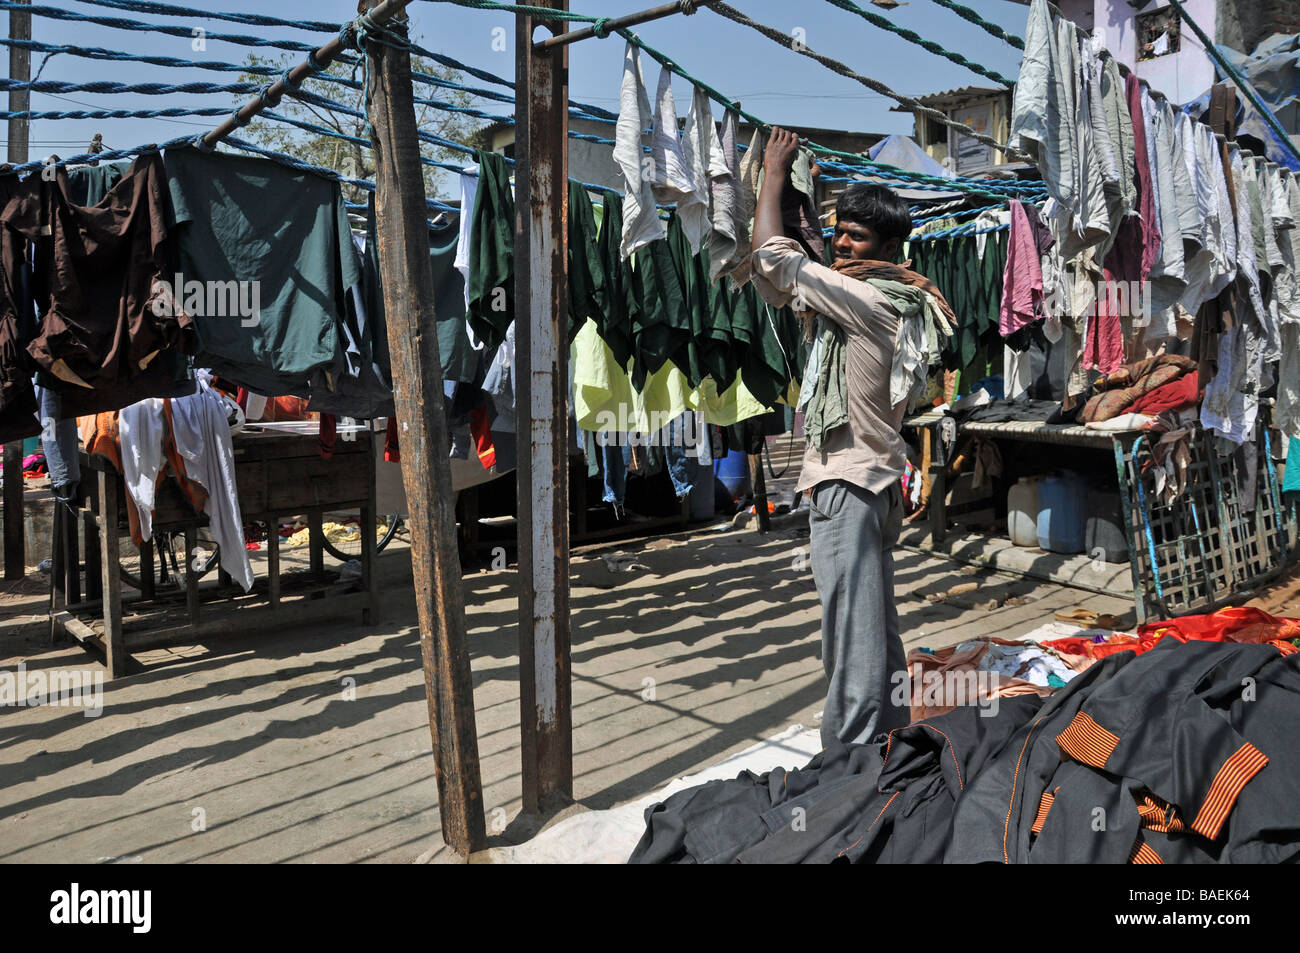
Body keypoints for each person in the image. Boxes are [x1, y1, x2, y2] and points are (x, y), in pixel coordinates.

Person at [749, 126, 918, 749]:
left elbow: (775, 260)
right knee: (874, 625)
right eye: (840, 231)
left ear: (891, 246)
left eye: (859, 236)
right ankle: (891, 745)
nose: (844, 244)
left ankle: (844, 763)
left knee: (849, 634)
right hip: (871, 484)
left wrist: (771, 174)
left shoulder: (870, 300)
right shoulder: (885, 295)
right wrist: (806, 202)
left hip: (848, 485)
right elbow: (799, 271)